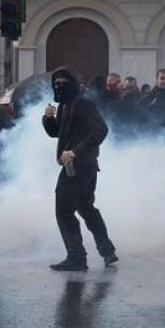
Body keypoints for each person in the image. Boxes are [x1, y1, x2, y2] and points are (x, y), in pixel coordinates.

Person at [42, 66, 118, 272]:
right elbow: (58, 133)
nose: (58, 87)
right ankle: (107, 251)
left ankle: (76, 257)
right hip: (77, 165)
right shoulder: (66, 105)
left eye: (62, 83)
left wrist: (76, 151)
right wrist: (48, 119)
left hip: (80, 165)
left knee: (64, 210)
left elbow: (101, 130)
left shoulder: (82, 103)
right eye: (55, 84)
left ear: (72, 84)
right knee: (85, 208)